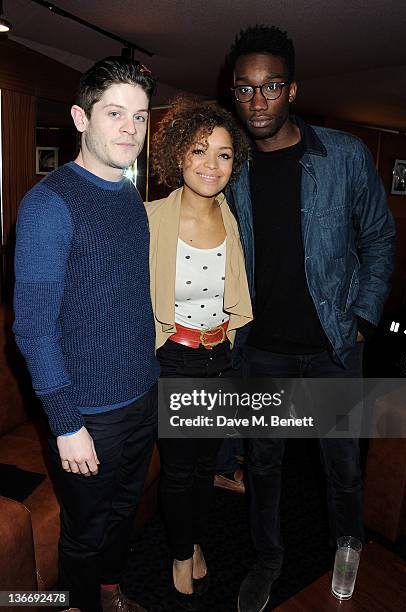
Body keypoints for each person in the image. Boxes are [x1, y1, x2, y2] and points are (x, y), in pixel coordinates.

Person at [224, 25, 396, 612]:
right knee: (264, 465)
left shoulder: (343, 155)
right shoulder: (232, 167)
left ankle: (348, 553)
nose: (257, 100)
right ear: (234, 93)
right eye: (245, 89)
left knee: (343, 467)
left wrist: (364, 320)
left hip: (333, 346)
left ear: (292, 89)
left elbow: (378, 239)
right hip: (262, 351)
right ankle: (267, 560)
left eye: (270, 86)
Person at [13, 56, 159, 612]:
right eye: (114, 113)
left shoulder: (128, 196)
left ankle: (109, 589)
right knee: (86, 527)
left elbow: (126, 299)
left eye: (140, 116)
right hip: (88, 411)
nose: (130, 128)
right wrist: (67, 422)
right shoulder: (49, 205)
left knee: (123, 513)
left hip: (141, 394)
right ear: (81, 117)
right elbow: (32, 328)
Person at [148, 99, 252, 610]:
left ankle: (190, 540)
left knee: (207, 465)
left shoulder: (237, 225)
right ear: (178, 156)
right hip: (174, 358)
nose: (212, 164)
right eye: (199, 150)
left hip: (221, 360)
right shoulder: (148, 220)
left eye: (225, 154)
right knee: (178, 471)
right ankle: (179, 551)